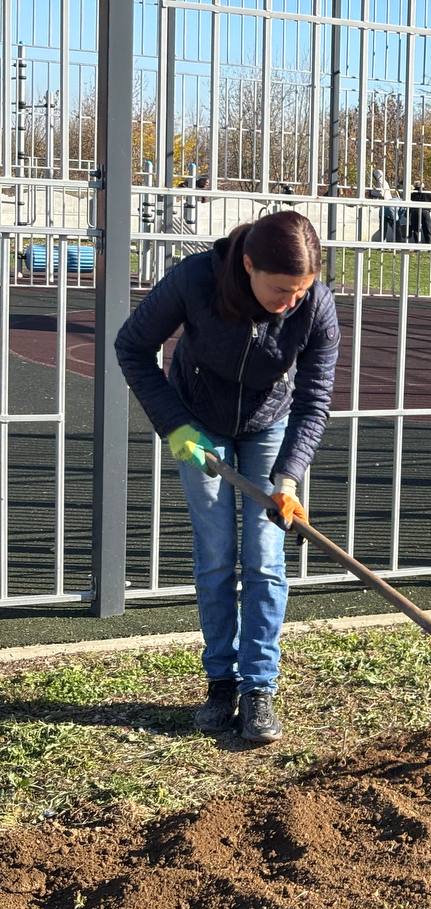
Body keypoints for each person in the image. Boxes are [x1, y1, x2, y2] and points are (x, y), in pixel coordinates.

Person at [114, 211, 340, 745]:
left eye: (301, 292)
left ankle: (258, 688)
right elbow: (132, 346)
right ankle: (220, 682)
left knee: (264, 556)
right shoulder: (195, 279)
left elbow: (314, 400)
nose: (290, 303)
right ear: (247, 265)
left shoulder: (317, 307)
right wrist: (176, 426)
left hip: (269, 425)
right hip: (198, 425)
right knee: (216, 552)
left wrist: (288, 477)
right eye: (280, 289)